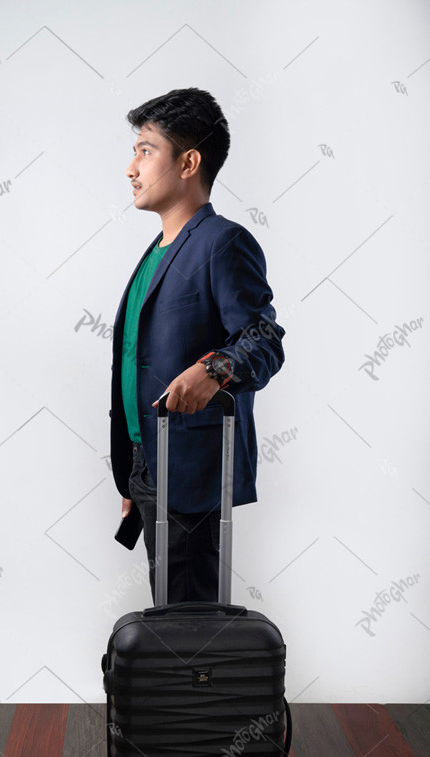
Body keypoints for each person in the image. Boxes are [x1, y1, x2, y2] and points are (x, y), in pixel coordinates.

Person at [109, 87, 285, 604]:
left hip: (192, 468)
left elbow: (264, 338)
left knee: (189, 621)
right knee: (169, 612)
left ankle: (203, 688)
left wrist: (213, 369)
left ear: (189, 162)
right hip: (148, 464)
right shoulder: (153, 255)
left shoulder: (222, 242)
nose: (130, 169)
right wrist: (134, 470)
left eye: (145, 150)